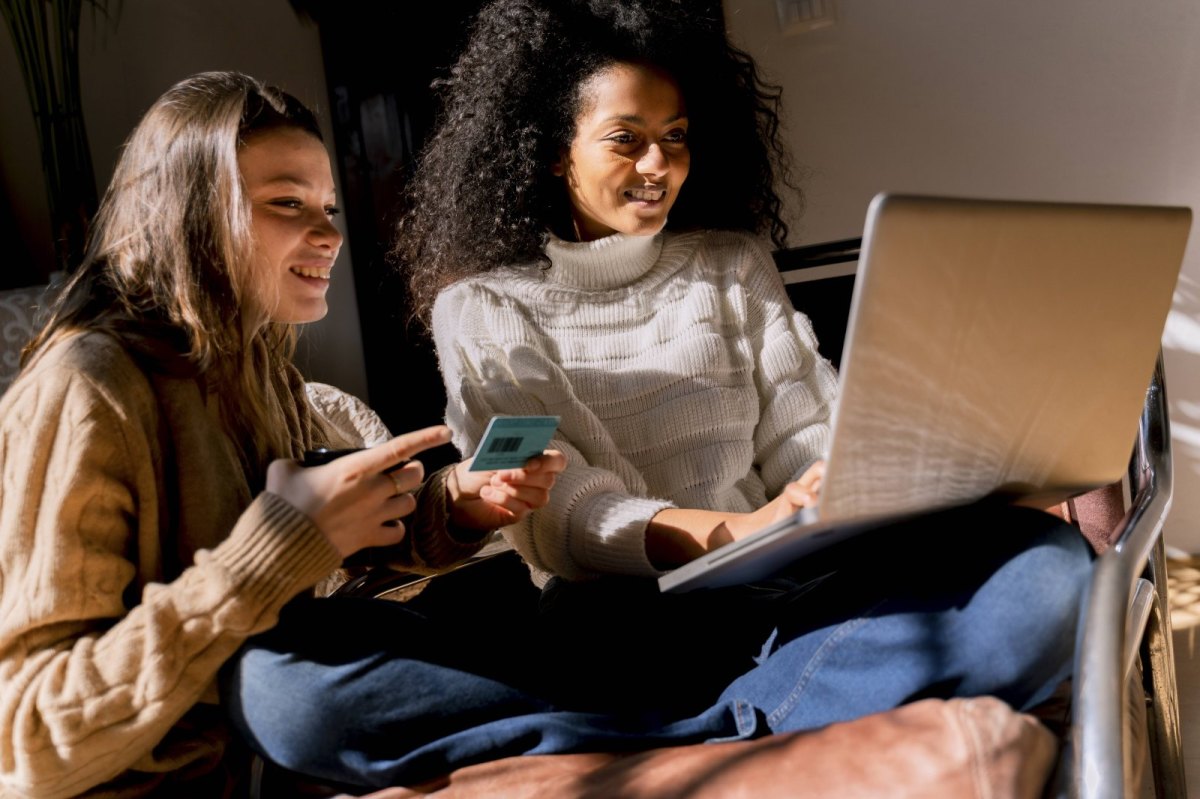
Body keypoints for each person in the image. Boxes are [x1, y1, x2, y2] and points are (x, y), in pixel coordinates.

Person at [224, 0, 1092, 792]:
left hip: (781, 613)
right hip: (602, 636)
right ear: (551, 150)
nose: (658, 165)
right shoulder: (483, 307)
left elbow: (806, 435)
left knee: (1047, 571)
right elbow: (565, 516)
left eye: (675, 137)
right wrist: (732, 530)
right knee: (284, 684)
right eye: (625, 138)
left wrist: (849, 485)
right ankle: (751, 718)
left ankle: (679, 731)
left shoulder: (731, 264)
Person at [0, 70, 566, 798]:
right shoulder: (86, 388)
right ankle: (661, 733)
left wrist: (456, 504)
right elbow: (27, 744)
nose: (330, 234)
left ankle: (635, 721)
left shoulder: (255, 365)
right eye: (286, 204)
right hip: (201, 765)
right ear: (191, 214)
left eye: (328, 205)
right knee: (286, 683)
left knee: (514, 597)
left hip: (270, 737)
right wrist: (272, 548)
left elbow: (333, 548)